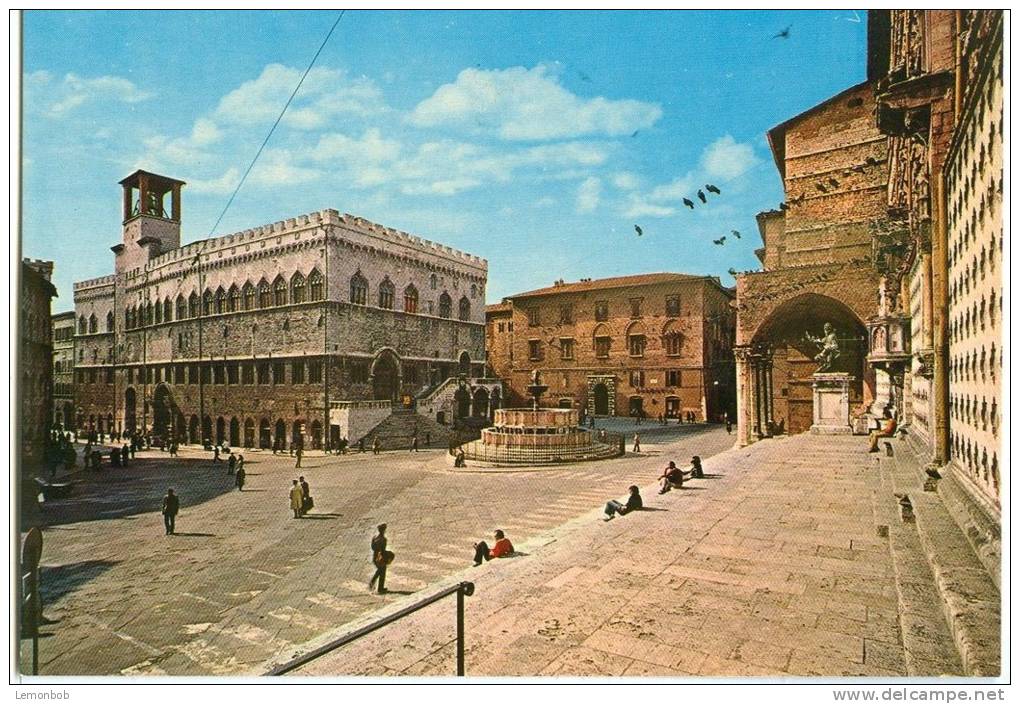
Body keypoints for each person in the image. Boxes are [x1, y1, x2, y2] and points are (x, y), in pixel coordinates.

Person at [369, 524, 393, 594]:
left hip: (375, 556)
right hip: (380, 557)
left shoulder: (374, 537)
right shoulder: (383, 539)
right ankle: (376, 585)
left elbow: (372, 548)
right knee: (382, 571)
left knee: (380, 570)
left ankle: (377, 585)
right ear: (383, 530)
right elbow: (383, 550)